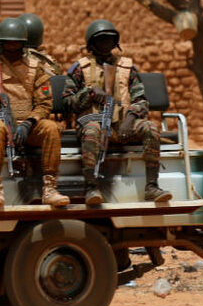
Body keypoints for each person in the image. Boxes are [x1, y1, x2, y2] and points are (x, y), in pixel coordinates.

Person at [0, 18, 67, 211]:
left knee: (51, 128)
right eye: (7, 43)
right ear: (0, 44)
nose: (11, 47)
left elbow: (44, 103)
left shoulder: (36, 68)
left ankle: (50, 188)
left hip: (27, 123)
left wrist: (29, 122)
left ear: (23, 44)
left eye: (16, 43)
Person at [63, 19, 171, 206]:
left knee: (151, 129)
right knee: (91, 131)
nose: (105, 44)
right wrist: (88, 94)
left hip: (122, 124)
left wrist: (130, 119)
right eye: (101, 40)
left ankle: (152, 186)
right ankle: (91, 188)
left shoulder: (127, 68)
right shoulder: (80, 68)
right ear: (92, 44)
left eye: (109, 40)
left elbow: (141, 100)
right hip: (93, 122)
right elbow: (67, 102)